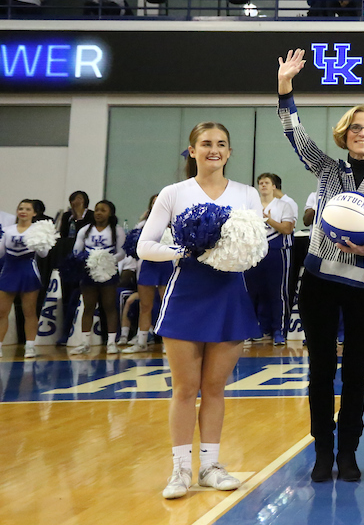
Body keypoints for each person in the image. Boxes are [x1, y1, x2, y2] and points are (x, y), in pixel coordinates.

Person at [277, 48, 364, 483]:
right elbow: (296, 136)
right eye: (356, 127)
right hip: (319, 284)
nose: (363, 133)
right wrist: (285, 89)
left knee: (355, 374)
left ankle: (348, 452)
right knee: (319, 372)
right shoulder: (327, 169)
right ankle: (322, 452)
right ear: (345, 132)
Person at [138, 121, 262, 499]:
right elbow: (145, 245)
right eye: (206, 143)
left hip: (229, 294)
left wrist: (228, 252)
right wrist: (185, 250)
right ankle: (179, 470)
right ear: (191, 150)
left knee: (214, 388)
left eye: (222, 144)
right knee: (185, 388)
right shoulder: (173, 193)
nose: (214, 149)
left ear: (228, 152)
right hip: (187, 292)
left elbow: (260, 247)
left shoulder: (247, 194)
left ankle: (209, 465)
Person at [244, 173, 295, 346]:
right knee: (251, 292)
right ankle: (251, 329)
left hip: (276, 251)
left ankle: (279, 330)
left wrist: (269, 219)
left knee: (277, 293)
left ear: (274, 186)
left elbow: (287, 229)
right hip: (254, 251)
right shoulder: (251, 205)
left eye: (267, 183)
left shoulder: (284, 205)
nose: (263, 185)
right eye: (260, 183)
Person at [70, 200, 126, 355]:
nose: (99, 213)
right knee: (88, 307)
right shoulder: (85, 230)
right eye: (97, 210)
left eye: (103, 210)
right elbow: (76, 251)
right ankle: (85, 343)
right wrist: (86, 261)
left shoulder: (117, 230)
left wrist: (107, 261)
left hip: (108, 271)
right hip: (89, 271)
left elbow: (122, 252)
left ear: (110, 213)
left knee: (109, 306)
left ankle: (111, 343)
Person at [0, 200, 52, 358]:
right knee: (2, 312)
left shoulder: (38, 230)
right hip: (9, 271)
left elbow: (44, 254)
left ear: (34, 213)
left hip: (28, 271)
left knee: (29, 311)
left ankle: (30, 346)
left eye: (27, 209)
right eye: (21, 208)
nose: (23, 211)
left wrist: (41, 242)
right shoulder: (8, 230)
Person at [124, 194, 168, 354]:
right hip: (148, 265)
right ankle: (141, 341)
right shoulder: (142, 225)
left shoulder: (173, 224)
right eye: (154, 203)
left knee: (167, 305)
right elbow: (133, 244)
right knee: (145, 305)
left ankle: (167, 343)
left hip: (166, 264)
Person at [53, 191, 94, 346]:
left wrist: (78, 216)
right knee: (68, 296)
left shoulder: (90, 216)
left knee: (78, 296)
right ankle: (65, 332)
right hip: (70, 260)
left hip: (86, 262)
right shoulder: (66, 216)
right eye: (73, 199)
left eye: (79, 199)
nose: (76, 202)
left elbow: (81, 233)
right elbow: (64, 236)